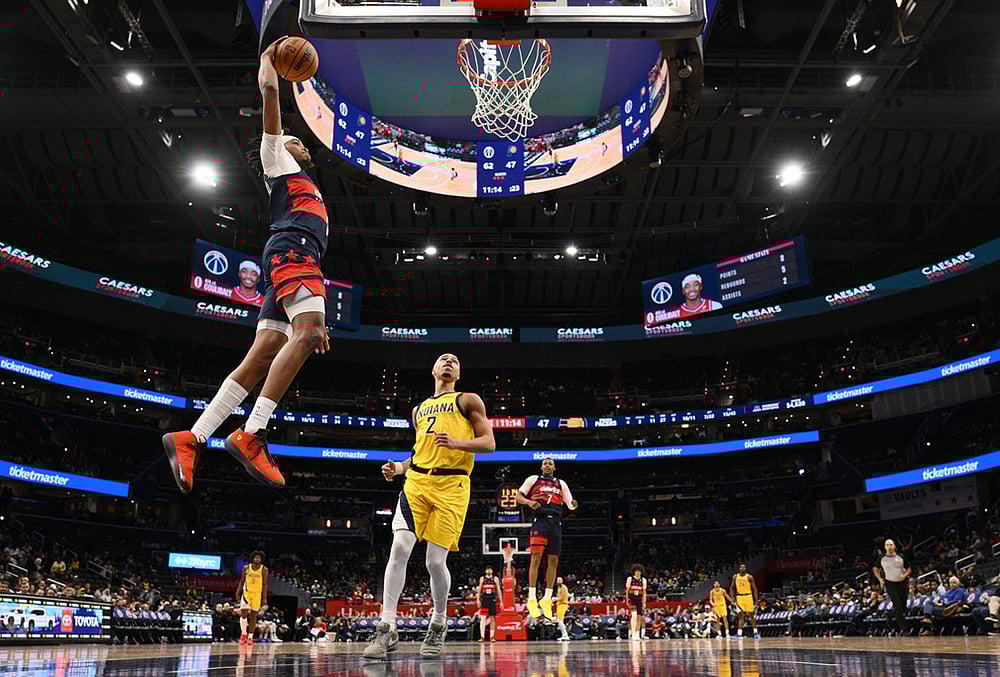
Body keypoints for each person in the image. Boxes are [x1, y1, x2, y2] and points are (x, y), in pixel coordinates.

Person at [161, 35, 330, 494]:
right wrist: (268, 60)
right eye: (294, 138)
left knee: (261, 355)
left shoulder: (307, 184)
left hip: (291, 261)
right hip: (292, 252)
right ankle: (252, 433)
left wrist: (308, 309)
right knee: (308, 334)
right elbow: (271, 93)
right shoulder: (276, 160)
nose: (298, 141)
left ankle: (192, 436)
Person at [364, 354, 495, 660]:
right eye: (443, 359)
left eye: (454, 360)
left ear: (458, 372)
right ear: (434, 370)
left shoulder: (467, 400)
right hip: (417, 483)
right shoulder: (419, 410)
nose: (448, 361)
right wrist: (399, 467)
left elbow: (489, 442)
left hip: (453, 486)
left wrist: (458, 443)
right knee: (399, 547)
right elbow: (420, 452)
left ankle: (438, 623)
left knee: (435, 562)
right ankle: (387, 627)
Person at [516, 456, 578, 620]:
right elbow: (518, 497)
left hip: (556, 522)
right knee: (536, 558)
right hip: (540, 521)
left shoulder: (560, 483)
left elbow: (570, 504)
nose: (548, 465)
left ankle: (547, 598)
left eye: (550, 463)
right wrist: (529, 502)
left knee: (554, 561)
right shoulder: (533, 479)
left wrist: (574, 505)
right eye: (545, 463)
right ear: (541, 467)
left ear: (554, 468)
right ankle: (531, 597)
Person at [872, 538, 911, 636]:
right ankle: (904, 629)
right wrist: (880, 579)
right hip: (890, 583)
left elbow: (909, 568)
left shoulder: (901, 557)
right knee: (897, 606)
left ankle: (889, 614)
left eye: (891, 545)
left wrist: (905, 575)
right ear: (885, 547)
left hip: (902, 583)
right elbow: (875, 569)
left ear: (894, 546)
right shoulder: (881, 558)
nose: (889, 547)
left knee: (903, 606)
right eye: (887, 545)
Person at [235, 551, 268, 646]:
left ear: (261, 559)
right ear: (252, 558)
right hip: (247, 593)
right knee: (244, 614)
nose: (257, 559)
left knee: (253, 617)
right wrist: (238, 592)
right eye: (255, 557)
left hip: (257, 594)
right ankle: (244, 634)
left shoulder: (264, 569)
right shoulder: (246, 568)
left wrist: (264, 598)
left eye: (259, 558)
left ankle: (250, 637)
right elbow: (242, 581)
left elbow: (265, 584)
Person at [730, 563, 759, 639]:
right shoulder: (735, 577)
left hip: (748, 596)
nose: (742, 569)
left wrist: (756, 600)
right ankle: (739, 634)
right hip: (739, 597)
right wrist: (732, 597)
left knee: (751, 615)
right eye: (741, 567)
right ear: (739, 568)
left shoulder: (749, 577)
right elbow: (732, 588)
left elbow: (754, 589)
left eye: (744, 567)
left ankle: (755, 632)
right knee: (740, 616)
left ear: (745, 569)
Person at [477, 565, 501, 642]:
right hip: (484, 599)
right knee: (483, 618)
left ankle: (492, 636)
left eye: (490, 569)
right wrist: (478, 600)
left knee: (492, 618)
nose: (489, 571)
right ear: (485, 571)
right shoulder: (482, 579)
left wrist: (501, 602)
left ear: (492, 571)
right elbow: (479, 590)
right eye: (487, 569)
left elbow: (499, 590)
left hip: (492, 599)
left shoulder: (495, 579)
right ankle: (482, 636)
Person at [625, 565, 647, 640]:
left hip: (639, 599)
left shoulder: (643, 580)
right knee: (633, 615)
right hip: (632, 598)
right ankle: (633, 633)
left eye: (639, 571)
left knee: (639, 617)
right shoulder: (630, 579)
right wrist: (627, 600)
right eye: (636, 571)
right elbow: (627, 591)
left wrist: (644, 602)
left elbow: (644, 592)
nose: (638, 573)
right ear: (634, 572)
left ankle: (637, 633)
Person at [555, 576, 571, 641]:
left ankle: (565, 635)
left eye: (560, 580)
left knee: (560, 620)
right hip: (559, 605)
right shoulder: (559, 587)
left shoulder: (563, 587)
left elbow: (563, 597)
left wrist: (555, 599)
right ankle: (564, 635)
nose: (559, 581)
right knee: (559, 621)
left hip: (563, 604)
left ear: (562, 581)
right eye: (558, 580)